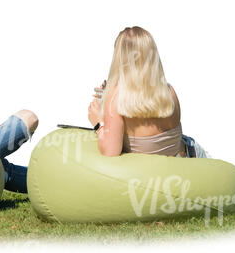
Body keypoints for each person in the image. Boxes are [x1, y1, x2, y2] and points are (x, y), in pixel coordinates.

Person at [87, 26, 209, 158]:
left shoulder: (116, 98)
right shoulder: (169, 91)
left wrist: (99, 122)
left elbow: (110, 151)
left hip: (160, 174)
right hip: (192, 155)